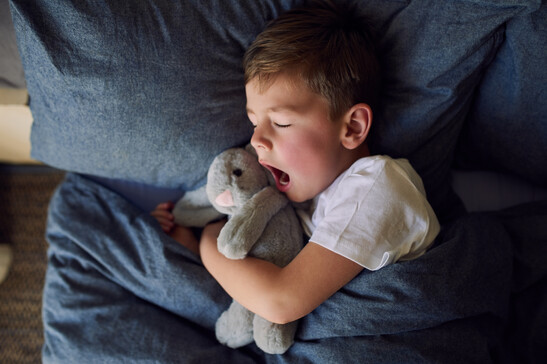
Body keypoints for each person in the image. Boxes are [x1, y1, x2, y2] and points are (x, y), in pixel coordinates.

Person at [152, 0, 439, 326]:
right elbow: (258, 278)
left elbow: (280, 301)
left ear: (352, 127)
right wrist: (187, 240)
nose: (257, 140)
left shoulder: (378, 186)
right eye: (254, 123)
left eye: (282, 123)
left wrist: (209, 240)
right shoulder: (297, 199)